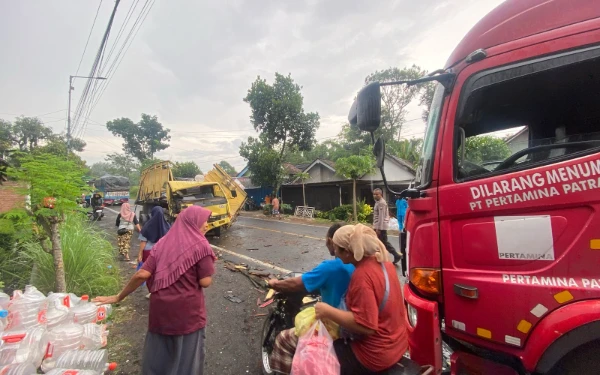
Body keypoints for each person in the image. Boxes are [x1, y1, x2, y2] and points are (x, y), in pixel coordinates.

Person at [94, 206, 216, 375]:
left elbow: (142, 274)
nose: (206, 225)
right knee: (187, 361)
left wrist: (118, 297)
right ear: (193, 222)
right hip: (187, 314)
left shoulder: (162, 243)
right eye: (204, 221)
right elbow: (205, 281)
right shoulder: (201, 246)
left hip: (161, 312)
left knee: (159, 357)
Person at [315, 224, 408, 374]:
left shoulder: (362, 276)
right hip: (397, 343)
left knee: (314, 355)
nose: (335, 254)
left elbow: (366, 326)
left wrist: (326, 311)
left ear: (347, 252)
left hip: (374, 355)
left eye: (337, 249)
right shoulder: (384, 263)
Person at [268, 223, 354, 374]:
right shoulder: (357, 263)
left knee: (283, 339)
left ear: (330, 241)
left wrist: (275, 283)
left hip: (335, 326)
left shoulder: (330, 267)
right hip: (350, 323)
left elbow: (297, 283)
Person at [372, 188, 401, 264]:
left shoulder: (381, 203)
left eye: (377, 194)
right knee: (380, 242)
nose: (375, 196)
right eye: (374, 194)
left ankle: (396, 255)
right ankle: (381, 257)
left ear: (381, 194)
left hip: (381, 227)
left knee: (383, 243)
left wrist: (378, 229)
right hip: (378, 226)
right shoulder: (378, 202)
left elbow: (381, 217)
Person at [395, 196, 409, 276]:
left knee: (404, 222)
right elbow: (397, 205)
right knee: (399, 223)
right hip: (398, 213)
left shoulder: (404, 201)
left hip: (403, 212)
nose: (398, 197)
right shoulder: (397, 201)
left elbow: (407, 206)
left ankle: (404, 229)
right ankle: (401, 230)